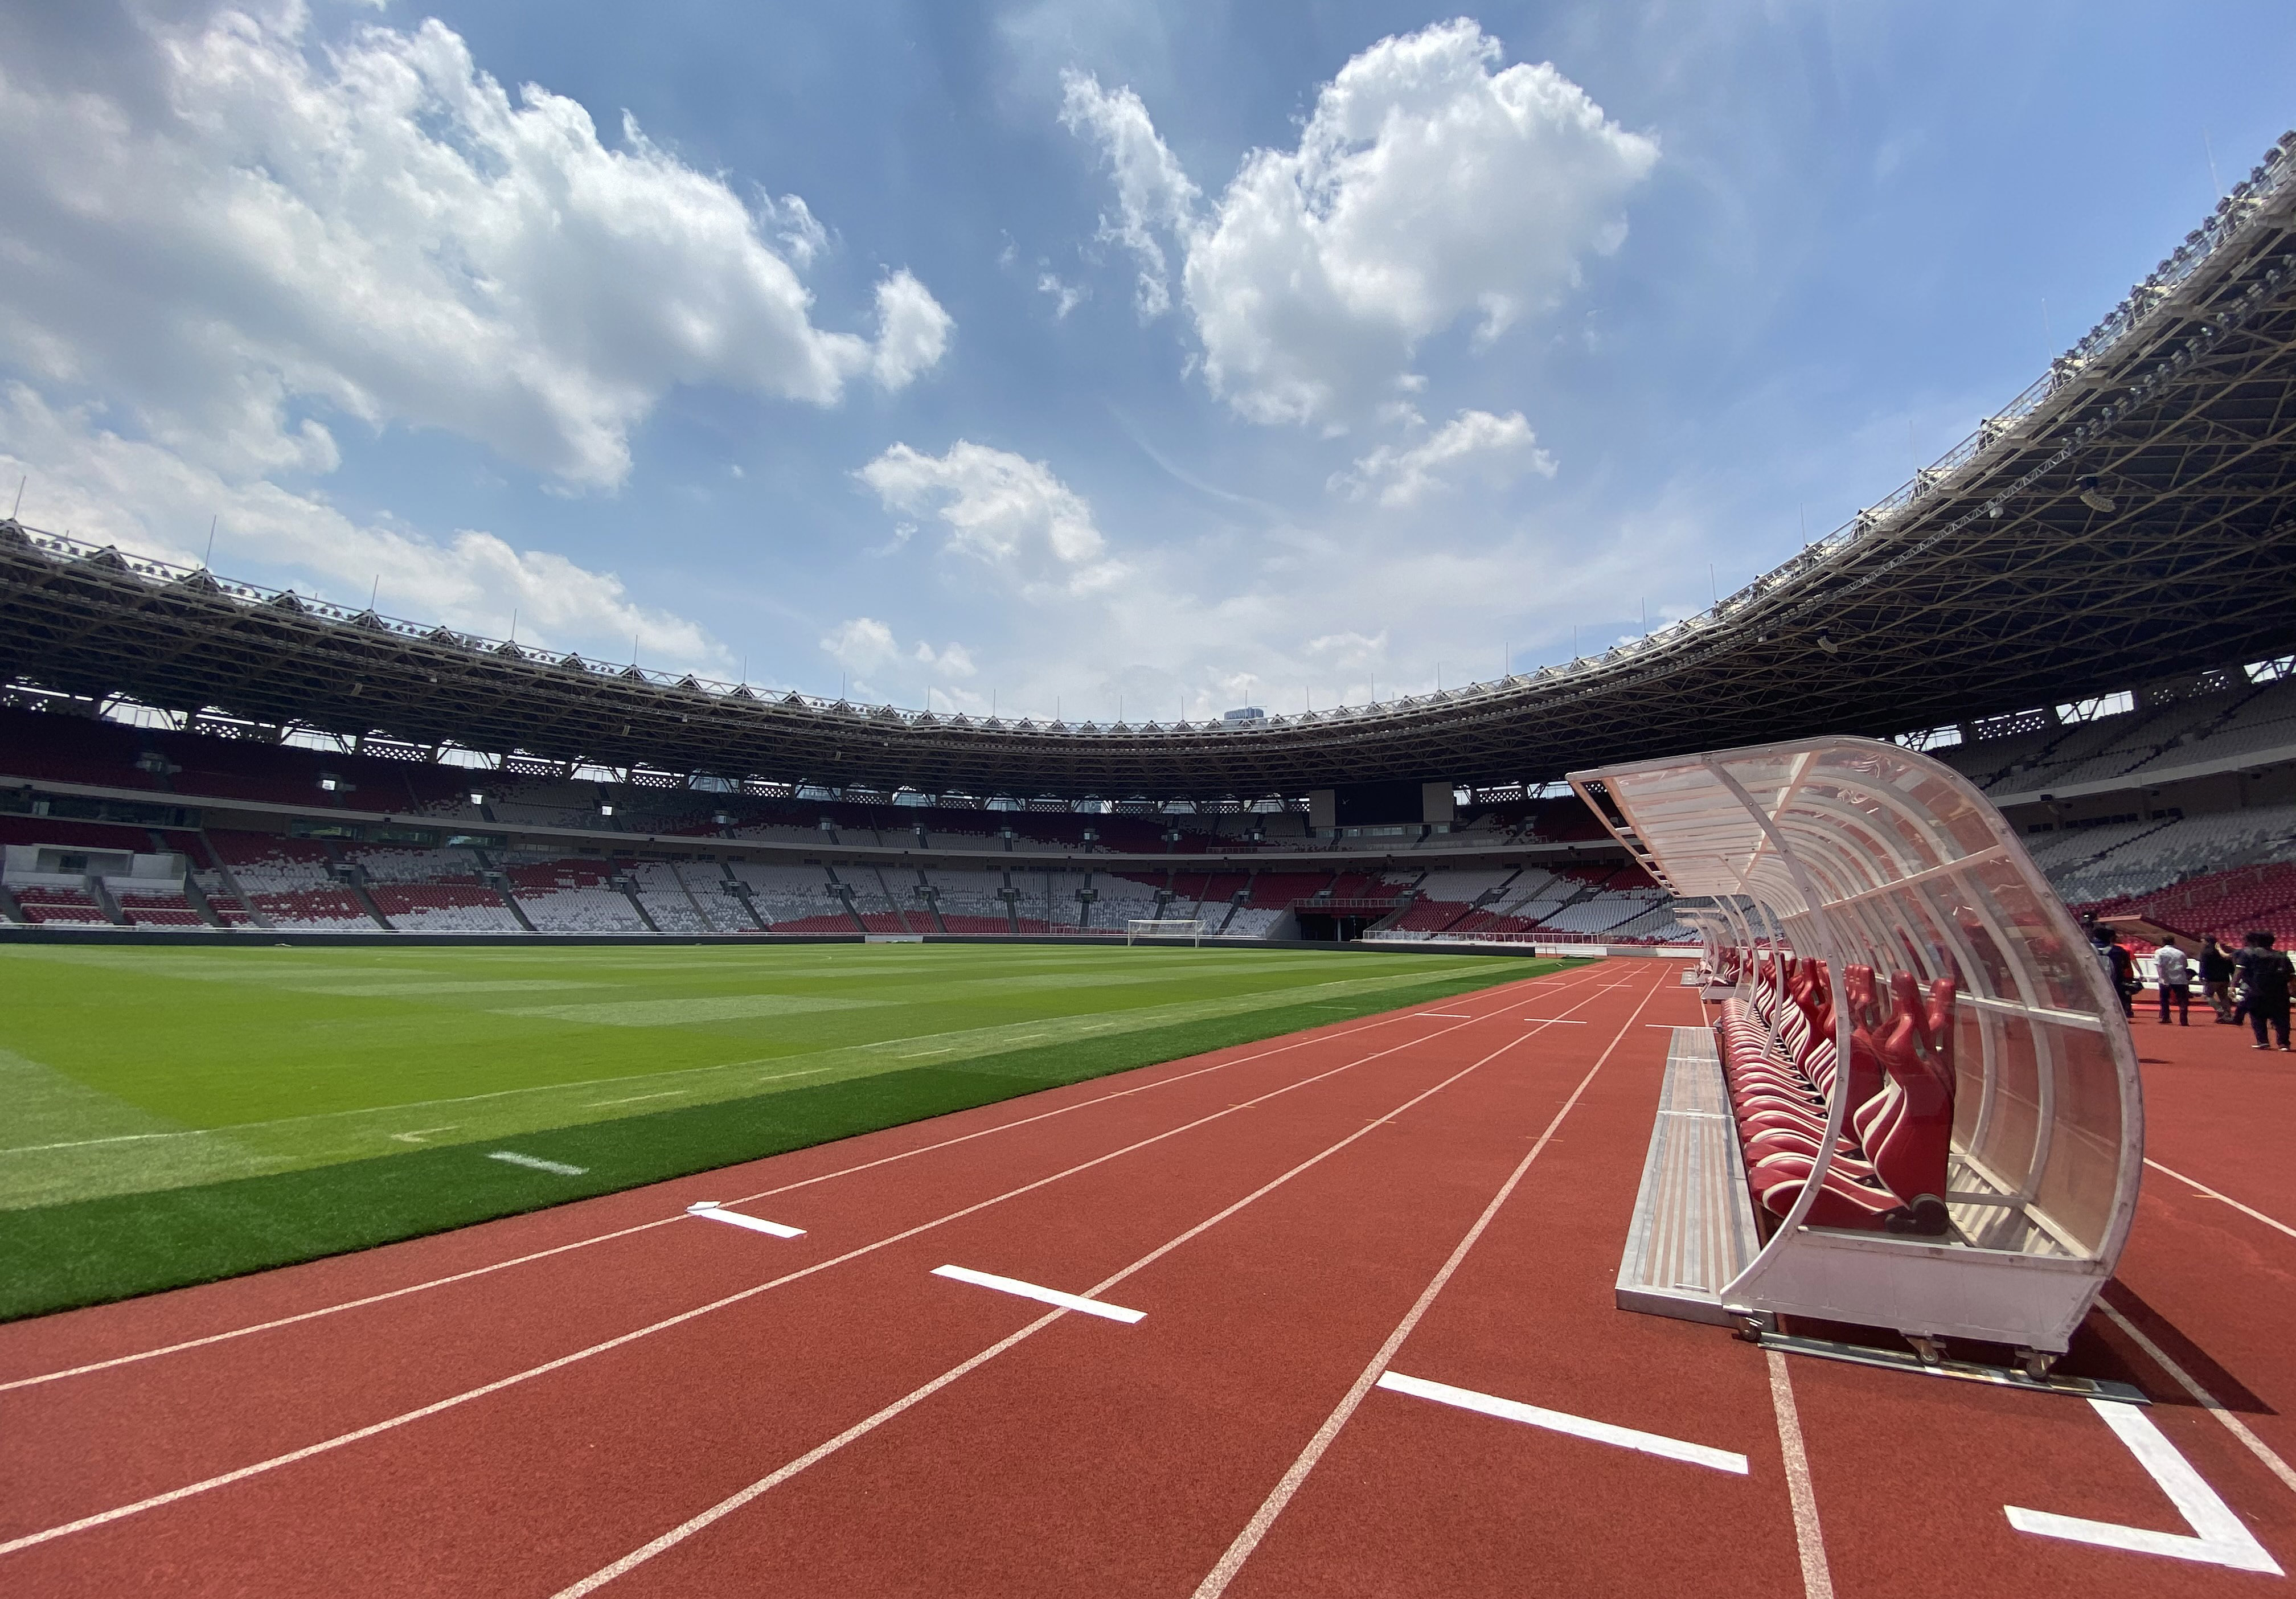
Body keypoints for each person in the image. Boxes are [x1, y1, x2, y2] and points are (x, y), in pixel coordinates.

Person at [2234, 930, 2294, 1051]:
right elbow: (2292, 977)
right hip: (2279, 992)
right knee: (2282, 1018)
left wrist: (2233, 985)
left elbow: (2239, 971)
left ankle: (2263, 1041)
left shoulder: (2249, 955)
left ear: (2257, 942)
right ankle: (2283, 1043)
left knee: (2257, 1016)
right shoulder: (2282, 957)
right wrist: (2293, 990)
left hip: (2257, 991)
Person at [2097, 929, 2137, 1018]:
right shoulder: (2119, 950)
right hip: (2116, 980)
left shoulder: (2089, 948)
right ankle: (2125, 1013)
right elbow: (2126, 965)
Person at [2155, 938, 2193, 1026]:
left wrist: (2162, 977)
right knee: (2182, 1000)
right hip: (2180, 978)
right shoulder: (2180, 953)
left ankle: (2166, 1017)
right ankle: (2184, 1019)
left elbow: (2159, 966)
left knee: (2164, 999)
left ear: (2163, 942)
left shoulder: (2159, 952)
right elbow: (2185, 965)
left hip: (2166, 978)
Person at [2200, 934, 2237, 1023]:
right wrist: (2233, 978)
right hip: (2224, 978)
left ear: (2206, 942)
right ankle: (2227, 1014)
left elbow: (2204, 966)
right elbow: (2231, 966)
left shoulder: (2206, 952)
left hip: (2211, 979)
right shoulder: (2223, 952)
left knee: (2207, 996)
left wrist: (2201, 976)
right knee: (2224, 997)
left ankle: (2220, 1010)